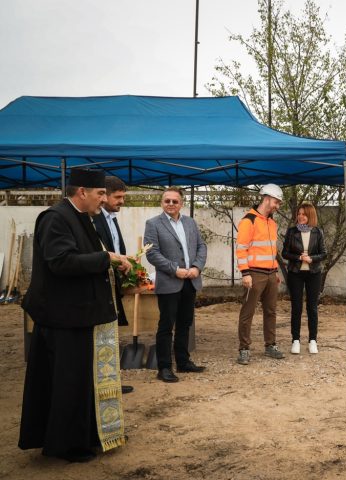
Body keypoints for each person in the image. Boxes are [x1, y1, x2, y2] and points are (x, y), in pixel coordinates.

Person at [19, 168, 131, 463]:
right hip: (63, 319)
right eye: (100, 194)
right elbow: (61, 262)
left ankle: (88, 435)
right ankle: (67, 445)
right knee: (69, 384)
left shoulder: (82, 218)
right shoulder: (55, 218)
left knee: (85, 382)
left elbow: (86, 258)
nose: (104, 199)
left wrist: (113, 261)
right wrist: (106, 258)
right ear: (82, 192)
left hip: (81, 315)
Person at [144, 187, 207, 383]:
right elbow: (151, 253)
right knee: (166, 325)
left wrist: (197, 267)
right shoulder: (153, 224)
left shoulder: (190, 222)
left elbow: (201, 246)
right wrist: (174, 269)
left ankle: (183, 361)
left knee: (185, 323)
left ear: (181, 203)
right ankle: (164, 367)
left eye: (175, 201)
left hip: (190, 280)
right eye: (167, 201)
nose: (171, 204)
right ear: (161, 203)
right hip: (170, 282)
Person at [93, 176, 133, 394]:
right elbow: (99, 253)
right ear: (104, 196)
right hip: (100, 288)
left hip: (112, 284)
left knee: (111, 335)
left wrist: (124, 263)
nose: (121, 202)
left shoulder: (112, 219)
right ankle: (102, 383)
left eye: (123, 197)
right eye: (118, 197)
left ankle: (110, 380)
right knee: (102, 337)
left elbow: (115, 250)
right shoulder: (95, 220)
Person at [236, 184, 284, 364]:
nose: (277, 206)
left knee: (271, 311)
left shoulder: (272, 223)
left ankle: (270, 345)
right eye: (276, 202)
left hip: (271, 274)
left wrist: (275, 271)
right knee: (247, 312)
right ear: (267, 199)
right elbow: (241, 249)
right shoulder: (248, 221)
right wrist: (245, 273)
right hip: (254, 274)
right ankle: (244, 349)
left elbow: (271, 250)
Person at [282, 202, 327, 355]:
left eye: (304, 214)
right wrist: (299, 257)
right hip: (295, 273)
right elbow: (285, 253)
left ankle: (313, 340)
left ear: (310, 215)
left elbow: (324, 253)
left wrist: (311, 259)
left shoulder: (318, 232)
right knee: (296, 307)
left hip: (314, 274)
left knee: (312, 308)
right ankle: (295, 340)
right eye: (299, 214)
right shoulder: (292, 231)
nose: (300, 216)